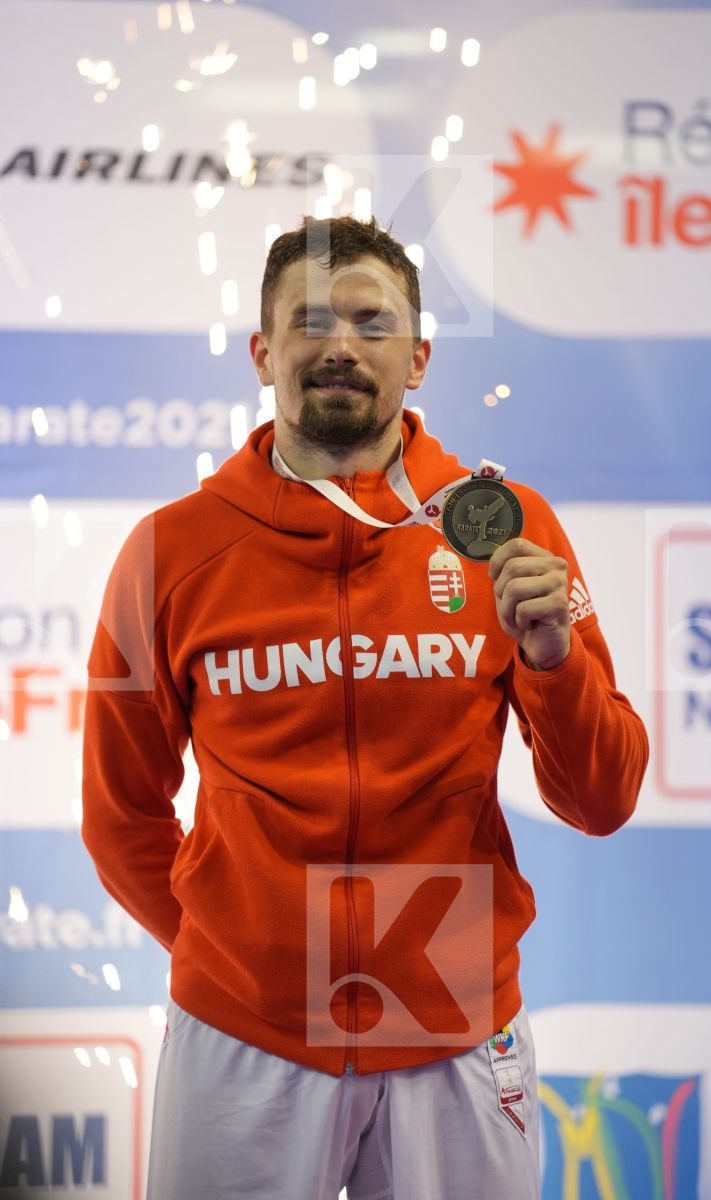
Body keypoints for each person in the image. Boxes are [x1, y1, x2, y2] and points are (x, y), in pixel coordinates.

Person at [81, 215, 648, 1200]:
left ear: (418, 357)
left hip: (457, 1029)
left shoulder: (504, 531)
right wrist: (233, 954)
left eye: (369, 321)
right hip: (241, 1039)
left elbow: (601, 800)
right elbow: (116, 813)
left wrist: (552, 662)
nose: (338, 343)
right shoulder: (168, 553)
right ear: (263, 354)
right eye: (306, 320)